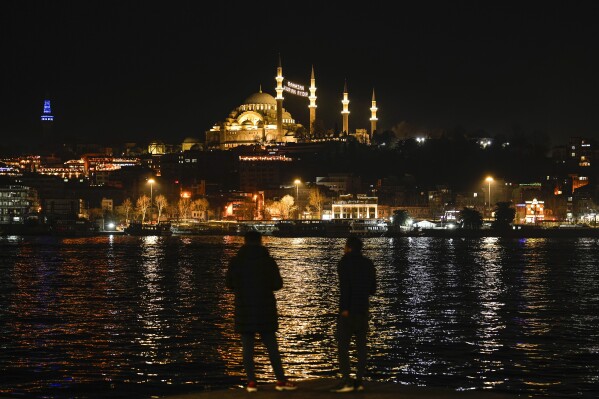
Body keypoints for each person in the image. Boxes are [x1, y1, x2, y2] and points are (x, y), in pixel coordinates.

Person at [225, 230, 297, 393]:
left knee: (247, 348)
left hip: (244, 308)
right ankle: (280, 380)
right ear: (260, 242)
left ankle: (251, 382)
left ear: (244, 242)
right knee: (272, 346)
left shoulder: (236, 262)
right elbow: (278, 284)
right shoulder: (268, 261)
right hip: (265, 308)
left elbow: (229, 284)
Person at [330, 235, 377, 393]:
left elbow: (345, 288)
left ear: (348, 247)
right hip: (363, 310)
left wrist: (344, 308)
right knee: (361, 347)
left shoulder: (344, 263)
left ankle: (346, 379)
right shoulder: (368, 263)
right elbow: (373, 289)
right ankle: (359, 379)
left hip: (348, 311)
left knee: (343, 347)